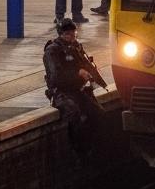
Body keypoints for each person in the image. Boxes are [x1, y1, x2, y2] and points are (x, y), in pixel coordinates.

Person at [44, 18, 108, 155]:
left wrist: (97, 78)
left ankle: (97, 149)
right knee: (74, 116)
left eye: (73, 33)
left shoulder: (76, 47)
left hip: (79, 90)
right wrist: (77, 74)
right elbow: (56, 77)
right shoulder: (53, 50)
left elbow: (87, 64)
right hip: (62, 92)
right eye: (68, 34)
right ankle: (79, 151)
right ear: (60, 34)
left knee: (99, 114)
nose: (72, 37)